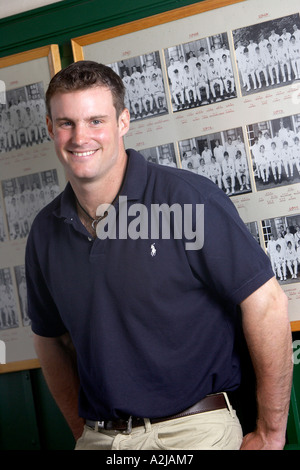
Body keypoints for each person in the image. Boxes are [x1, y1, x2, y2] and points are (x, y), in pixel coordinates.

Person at [26, 60, 292, 451]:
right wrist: (83, 432)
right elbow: (50, 341)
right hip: (103, 440)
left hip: (195, 431)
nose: (80, 136)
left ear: (122, 122)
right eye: (66, 123)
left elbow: (267, 304)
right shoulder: (45, 231)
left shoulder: (186, 199)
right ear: (50, 128)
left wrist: (271, 432)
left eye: (96, 121)